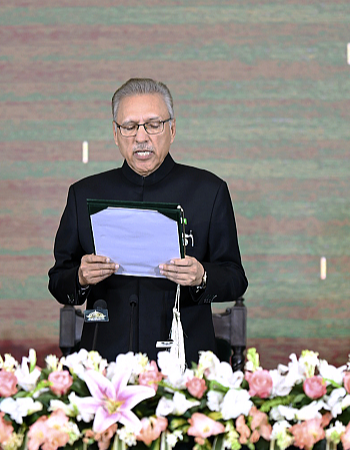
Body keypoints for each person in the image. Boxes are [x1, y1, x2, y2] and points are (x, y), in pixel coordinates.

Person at [48, 78, 248, 365]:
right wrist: (80, 277)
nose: (141, 137)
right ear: (116, 134)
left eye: (153, 125)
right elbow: (58, 280)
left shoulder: (208, 191)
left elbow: (235, 278)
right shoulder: (85, 194)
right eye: (129, 126)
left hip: (185, 361)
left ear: (172, 129)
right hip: (105, 361)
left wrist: (202, 276)